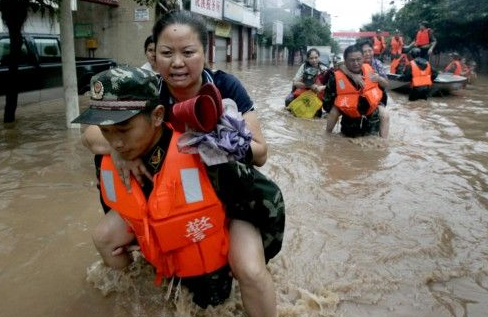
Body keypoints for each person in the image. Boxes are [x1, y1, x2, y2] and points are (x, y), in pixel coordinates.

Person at [80, 11, 281, 317]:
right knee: (104, 238)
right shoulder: (147, 89)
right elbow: (92, 133)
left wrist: (223, 139)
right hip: (169, 193)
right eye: (166, 53)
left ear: (205, 52)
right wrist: (120, 149)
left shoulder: (226, 88)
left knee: (250, 272)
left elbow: (261, 153)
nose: (177, 62)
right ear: (153, 53)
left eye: (188, 52)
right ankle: (135, 297)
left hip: (226, 192)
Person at [324, 44, 389, 138]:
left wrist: (379, 79)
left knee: (384, 113)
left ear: (363, 59)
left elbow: (382, 94)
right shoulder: (336, 77)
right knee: (334, 110)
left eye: (358, 59)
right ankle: (327, 136)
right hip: (349, 119)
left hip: (371, 118)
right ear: (345, 61)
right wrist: (342, 107)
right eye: (352, 60)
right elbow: (327, 102)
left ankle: (384, 143)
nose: (356, 63)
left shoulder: (371, 72)